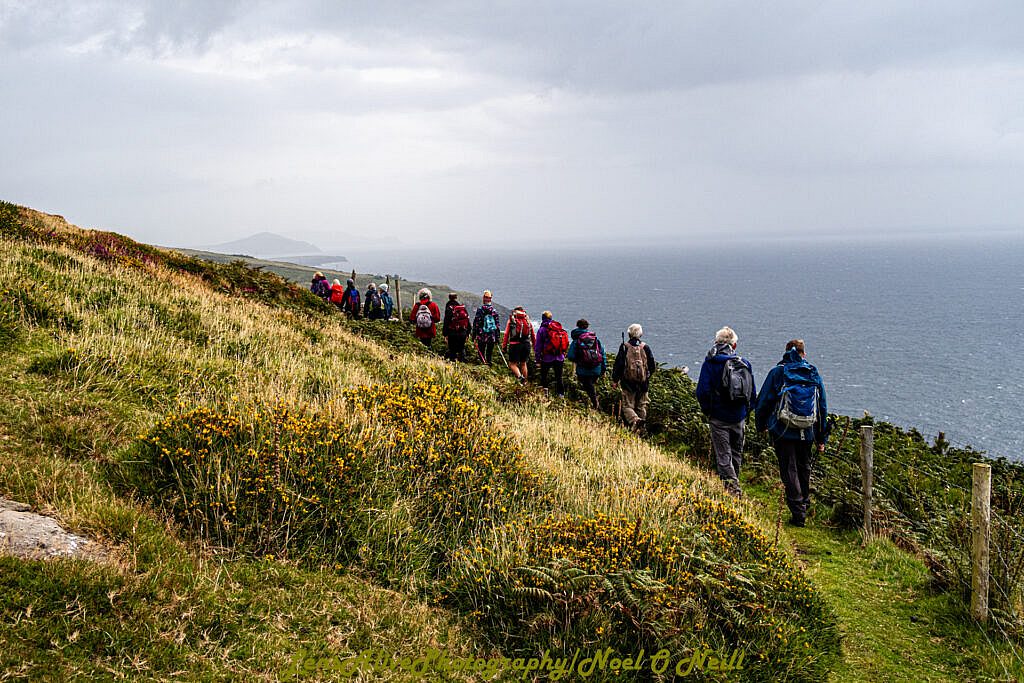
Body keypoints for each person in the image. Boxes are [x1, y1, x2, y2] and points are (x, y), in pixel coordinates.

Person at [755, 339, 830, 527]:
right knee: (804, 466)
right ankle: (804, 503)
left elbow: (763, 401)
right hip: (808, 430)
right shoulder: (813, 373)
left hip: (783, 430)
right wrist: (821, 437)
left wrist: (761, 425)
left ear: (786, 352)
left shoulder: (778, 373)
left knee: (789, 468)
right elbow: (822, 407)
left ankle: (798, 512)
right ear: (804, 353)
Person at [695, 326, 757, 497]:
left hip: (719, 416)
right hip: (739, 416)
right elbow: (752, 392)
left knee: (723, 454)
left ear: (716, 342)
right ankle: (733, 482)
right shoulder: (744, 363)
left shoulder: (711, 363)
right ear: (734, 345)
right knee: (736, 452)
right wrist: (747, 411)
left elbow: (702, 391)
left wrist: (708, 411)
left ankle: (732, 489)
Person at [611, 324, 656, 431]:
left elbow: (619, 365)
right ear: (640, 333)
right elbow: (652, 365)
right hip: (643, 382)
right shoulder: (645, 347)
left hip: (628, 382)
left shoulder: (624, 347)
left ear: (629, 333)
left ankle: (635, 421)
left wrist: (615, 380)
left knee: (627, 406)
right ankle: (642, 428)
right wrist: (647, 376)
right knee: (641, 406)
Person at [567, 319, 606, 409]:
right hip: (596, 368)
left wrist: (579, 359)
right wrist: (603, 368)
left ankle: (594, 403)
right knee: (590, 385)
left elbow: (571, 356)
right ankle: (593, 403)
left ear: (577, 326)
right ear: (587, 326)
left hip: (583, 370)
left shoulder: (577, 340)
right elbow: (602, 354)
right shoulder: (595, 339)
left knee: (587, 386)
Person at [534, 311, 568, 396]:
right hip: (559, 357)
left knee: (544, 375)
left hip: (547, 357)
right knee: (559, 377)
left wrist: (537, 360)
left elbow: (538, 346)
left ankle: (545, 393)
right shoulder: (558, 328)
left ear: (543, 318)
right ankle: (561, 394)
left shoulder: (542, 330)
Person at [502, 306, 535, 383]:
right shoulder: (527, 320)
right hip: (526, 344)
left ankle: (520, 377)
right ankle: (525, 383)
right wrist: (534, 346)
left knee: (512, 364)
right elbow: (533, 334)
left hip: (515, 344)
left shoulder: (512, 320)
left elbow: (506, 334)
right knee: (523, 363)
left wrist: (504, 346)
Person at [472, 290, 501, 365]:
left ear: (483, 298)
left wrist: (474, 335)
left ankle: (483, 365)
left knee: (481, 351)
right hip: (491, 335)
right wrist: (497, 337)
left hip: (482, 335)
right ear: (490, 299)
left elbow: (476, 323)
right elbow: (497, 325)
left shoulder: (480, 310)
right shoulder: (494, 311)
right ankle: (489, 364)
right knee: (489, 353)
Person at [442, 292, 471, 362]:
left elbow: (446, 322)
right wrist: (468, 333)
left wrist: (445, 334)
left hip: (452, 333)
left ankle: (453, 365)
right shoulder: (461, 308)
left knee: (452, 350)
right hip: (462, 332)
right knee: (461, 349)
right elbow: (467, 321)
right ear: (456, 298)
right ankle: (463, 365)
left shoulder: (449, 308)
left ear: (449, 298)